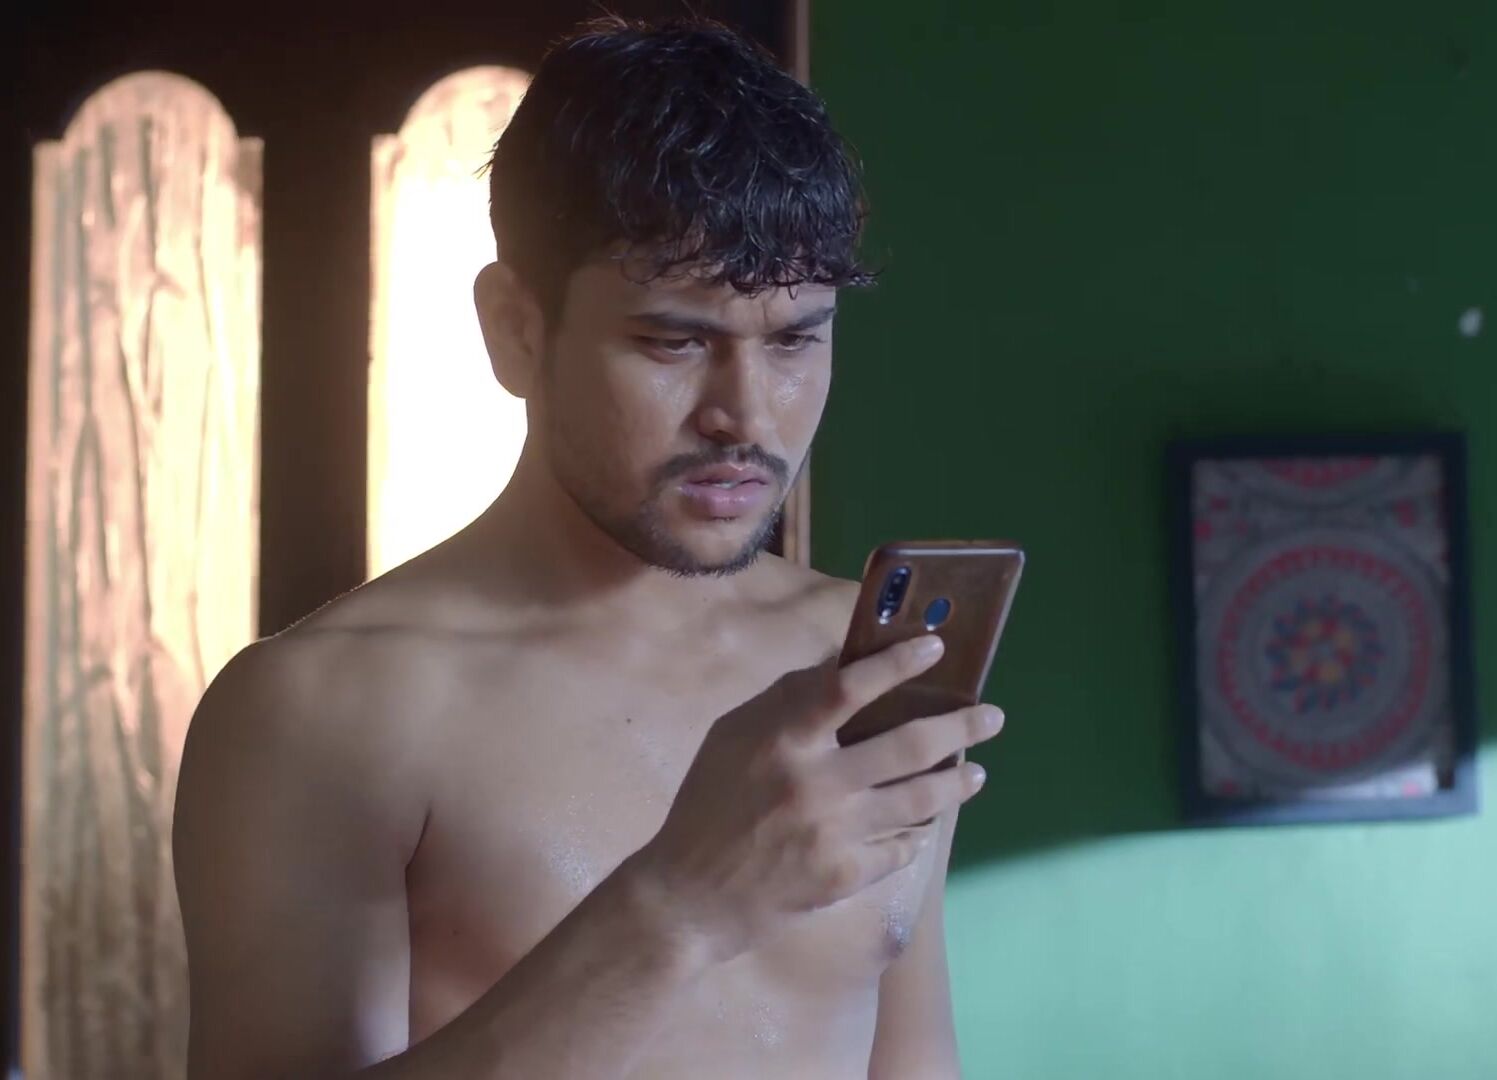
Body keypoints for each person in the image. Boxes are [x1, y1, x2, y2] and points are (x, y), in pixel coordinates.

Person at [173, 16, 1004, 1080]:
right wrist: (681, 906)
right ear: (515, 330)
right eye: (673, 341)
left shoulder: (856, 663)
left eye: (795, 339)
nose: (745, 415)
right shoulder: (325, 709)